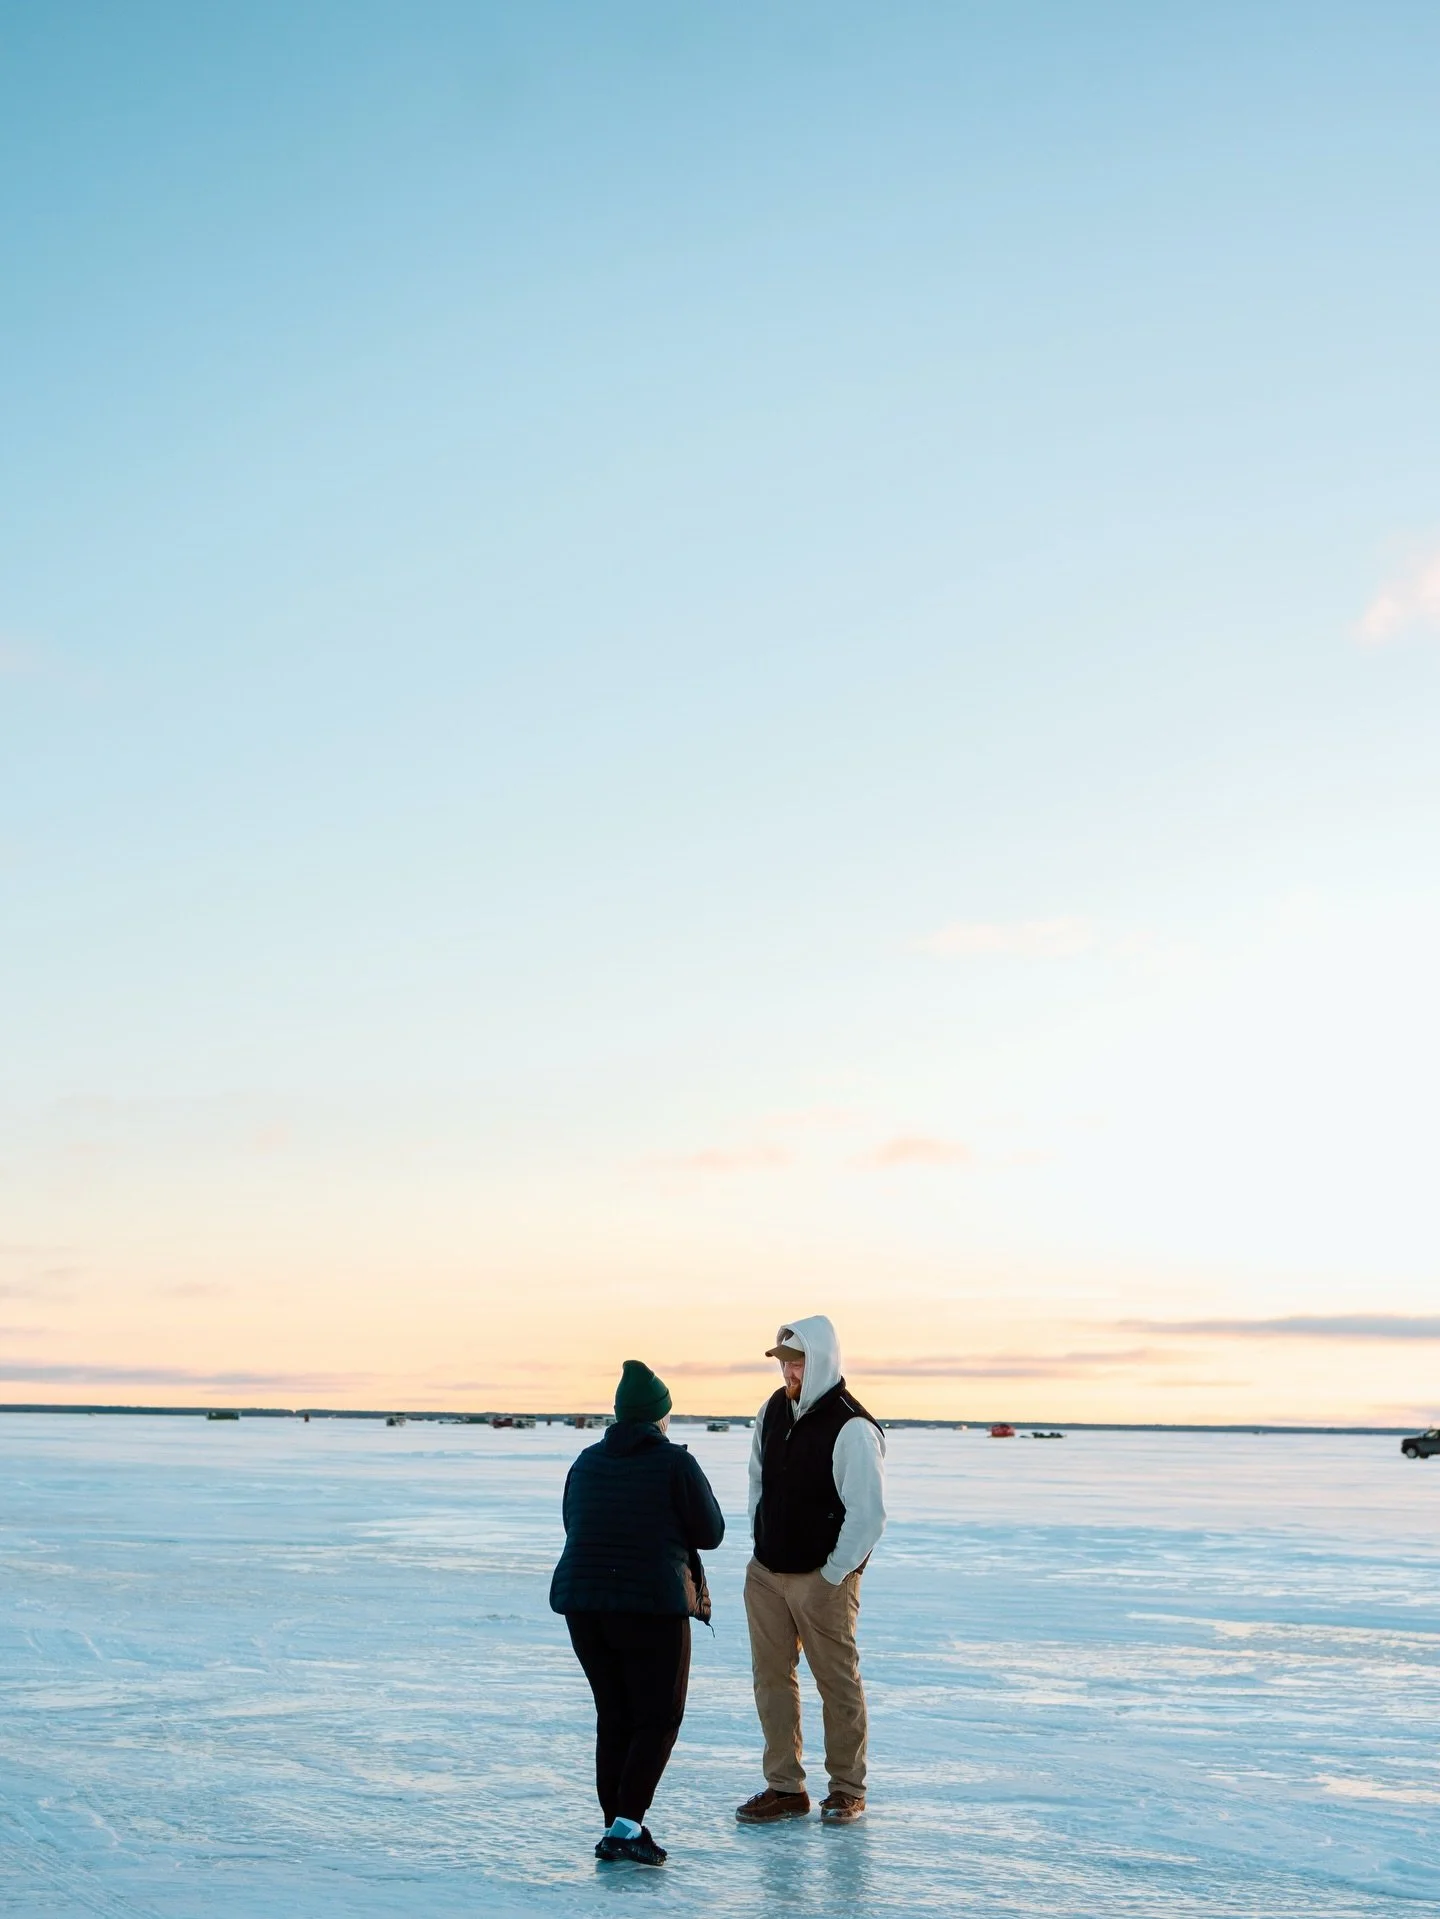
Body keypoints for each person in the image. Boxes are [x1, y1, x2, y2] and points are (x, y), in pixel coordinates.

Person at [550, 1359, 725, 1866]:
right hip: (651, 1607)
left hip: (584, 1606)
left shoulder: (585, 1461)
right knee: (658, 1716)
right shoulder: (674, 1463)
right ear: (659, 1417)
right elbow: (710, 1533)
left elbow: (573, 1522)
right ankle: (626, 1828)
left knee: (615, 1715)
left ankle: (616, 1825)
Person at [736, 1315, 886, 1827]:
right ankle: (785, 1788)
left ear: (821, 1360)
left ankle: (846, 1789)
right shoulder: (772, 1411)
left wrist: (834, 1573)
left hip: (823, 1578)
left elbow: (868, 1515)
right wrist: (759, 1547)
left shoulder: (852, 1426)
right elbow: (759, 1481)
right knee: (771, 1680)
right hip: (767, 1573)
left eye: (797, 1363)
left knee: (836, 1682)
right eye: (783, 1364)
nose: (788, 1374)